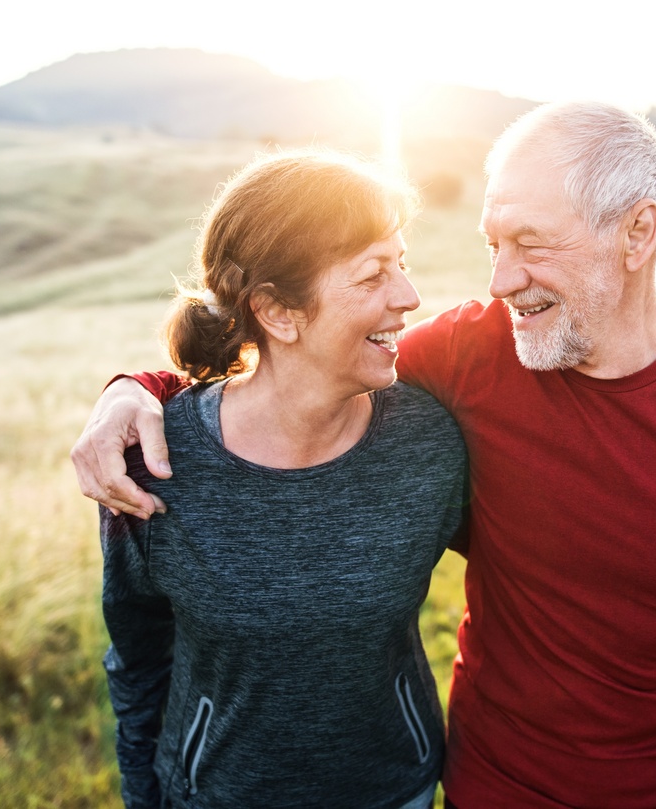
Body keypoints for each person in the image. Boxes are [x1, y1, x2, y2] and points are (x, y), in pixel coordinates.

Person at [74, 102, 656, 808]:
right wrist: (134, 389)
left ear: (638, 233)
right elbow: (298, 364)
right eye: (494, 245)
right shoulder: (473, 354)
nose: (502, 280)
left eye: (532, 246)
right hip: (493, 784)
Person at [95, 150, 467, 809]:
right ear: (277, 312)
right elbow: (139, 656)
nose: (408, 297)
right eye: (372, 274)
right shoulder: (155, 462)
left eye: (401, 264)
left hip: (394, 792)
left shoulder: (429, 444)